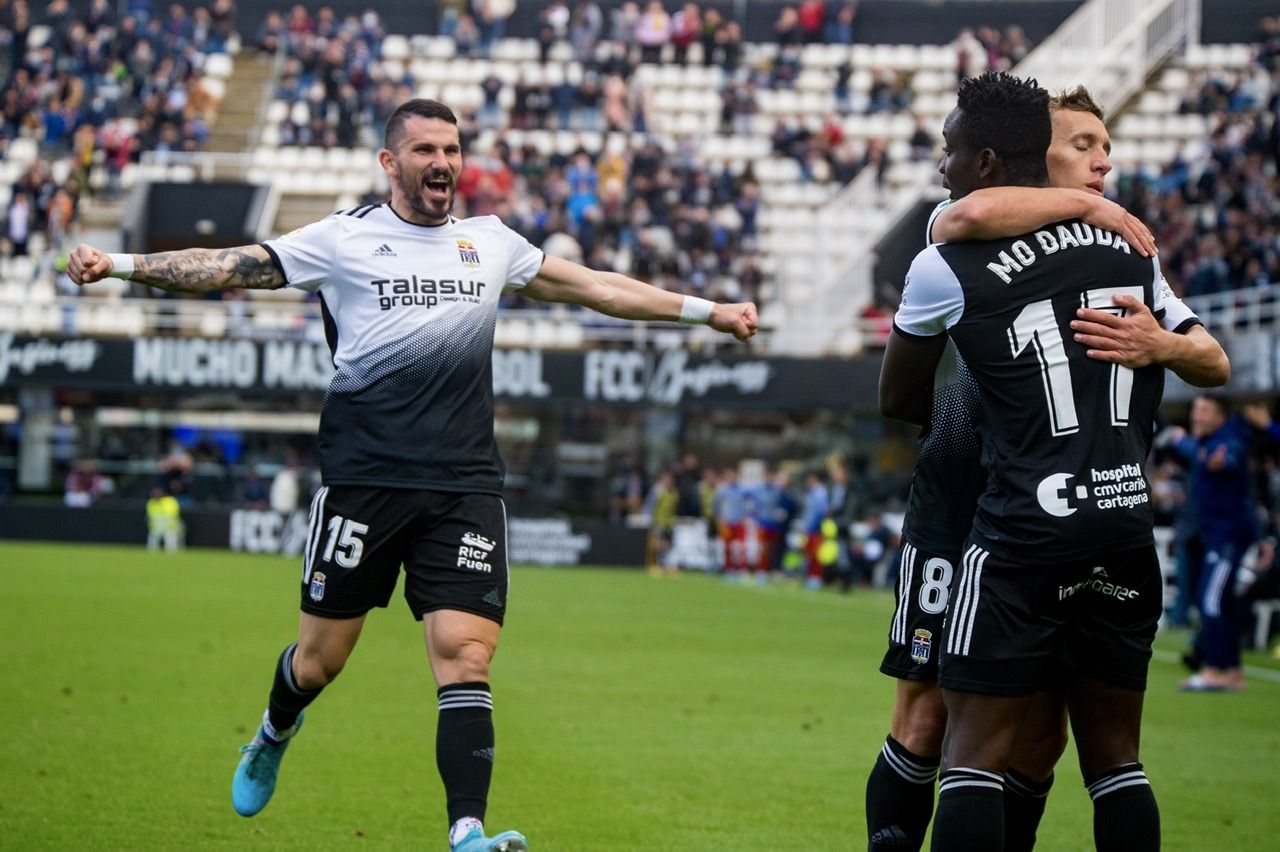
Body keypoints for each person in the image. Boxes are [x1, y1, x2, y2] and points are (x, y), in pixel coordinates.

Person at [67, 98, 758, 852]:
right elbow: (233, 267)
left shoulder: (489, 243)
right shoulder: (344, 239)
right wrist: (121, 266)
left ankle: (467, 831)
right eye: (426, 149)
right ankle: (272, 732)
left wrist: (707, 311)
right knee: (318, 662)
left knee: (466, 655)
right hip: (365, 485)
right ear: (390, 163)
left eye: (453, 150)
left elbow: (597, 287)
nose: (444, 163)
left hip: (464, 488)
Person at [866, 83, 1229, 852]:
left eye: (1106, 147)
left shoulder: (1129, 250)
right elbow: (960, 217)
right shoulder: (969, 240)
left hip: (1039, 512)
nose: (1103, 163)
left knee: (1036, 738)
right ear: (1032, 159)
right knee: (927, 713)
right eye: (1081, 146)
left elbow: (1208, 355)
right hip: (965, 495)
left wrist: (1161, 344)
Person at [1165, 395, 1259, 692]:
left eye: (1204, 411)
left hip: (1228, 536)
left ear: (1221, 415)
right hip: (1215, 535)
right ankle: (1232, 671)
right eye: (1195, 410)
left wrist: (1187, 444)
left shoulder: (1228, 439)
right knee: (1223, 601)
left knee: (1210, 598)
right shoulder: (1207, 442)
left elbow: (1226, 456)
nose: (1197, 416)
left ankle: (1214, 669)